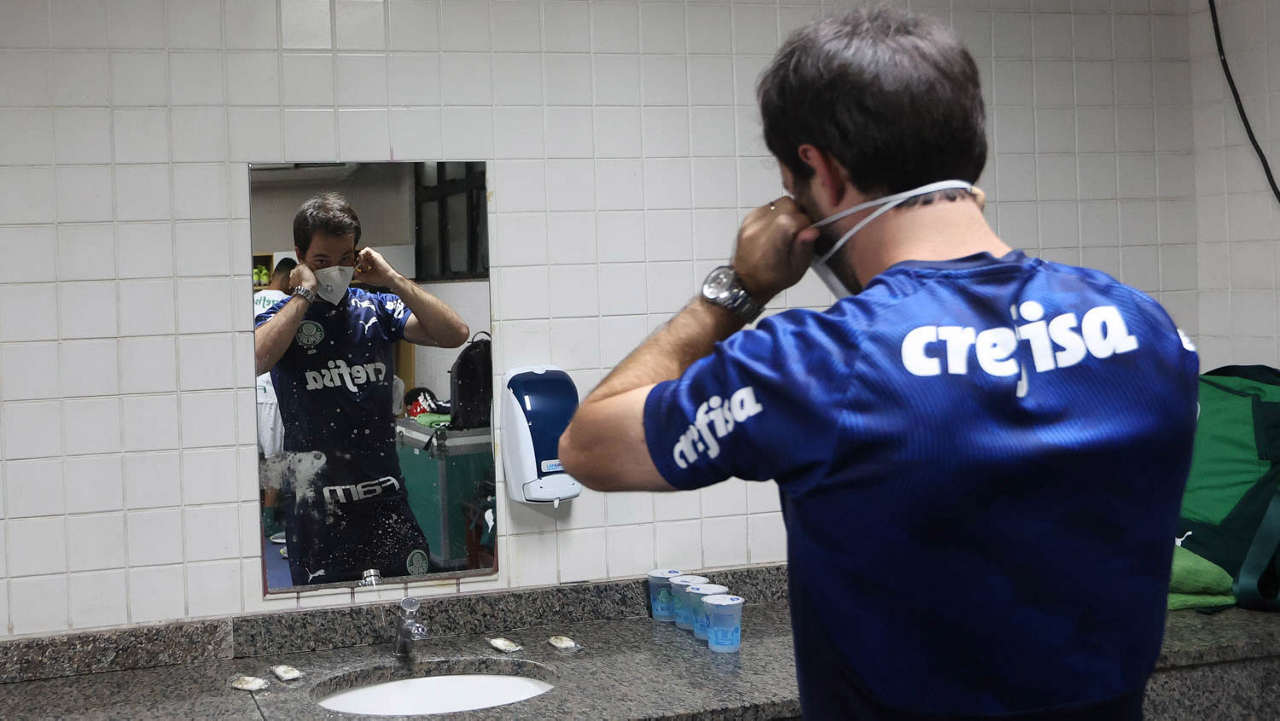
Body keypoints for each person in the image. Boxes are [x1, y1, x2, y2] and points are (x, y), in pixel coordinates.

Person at [559, 7, 1199, 720]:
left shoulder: (815, 364)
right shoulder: (1146, 330)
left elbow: (588, 445)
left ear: (823, 172)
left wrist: (736, 291)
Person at [254, 192, 470, 586]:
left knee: (407, 604)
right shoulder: (282, 316)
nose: (335, 271)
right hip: (318, 511)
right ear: (300, 256)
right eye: (322, 261)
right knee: (327, 619)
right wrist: (303, 295)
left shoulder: (376, 308)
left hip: (385, 502)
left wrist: (393, 279)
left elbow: (454, 333)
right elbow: (255, 359)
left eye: (345, 258)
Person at [253, 258, 296, 538]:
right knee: (274, 460)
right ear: (290, 279)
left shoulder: (250, 299)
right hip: (272, 391)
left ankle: (252, 514)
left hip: (248, 390)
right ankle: (269, 520)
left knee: (252, 456)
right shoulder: (288, 304)